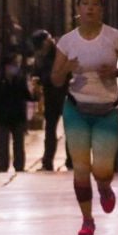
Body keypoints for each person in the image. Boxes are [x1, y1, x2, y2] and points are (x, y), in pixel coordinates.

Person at [51, 0, 118, 235]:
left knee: (102, 169)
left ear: (102, 8)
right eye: (85, 3)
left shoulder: (114, 37)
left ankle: (105, 187)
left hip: (107, 110)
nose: (90, 8)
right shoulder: (67, 41)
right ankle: (87, 220)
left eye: (95, 4)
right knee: (80, 167)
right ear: (78, 9)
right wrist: (66, 68)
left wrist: (116, 73)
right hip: (76, 109)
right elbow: (55, 80)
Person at [0, 53, 35, 173]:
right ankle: (3, 166)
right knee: (2, 144)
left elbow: (27, 95)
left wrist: (33, 93)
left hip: (18, 116)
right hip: (2, 116)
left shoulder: (20, 79)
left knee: (19, 143)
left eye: (16, 65)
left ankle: (19, 166)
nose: (15, 67)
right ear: (6, 66)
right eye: (13, 64)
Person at [31, 30, 73, 171]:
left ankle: (71, 161)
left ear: (47, 41)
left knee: (70, 130)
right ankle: (47, 161)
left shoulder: (62, 51)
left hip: (65, 95)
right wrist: (35, 79)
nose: (40, 50)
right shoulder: (41, 56)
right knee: (50, 130)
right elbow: (37, 72)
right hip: (50, 96)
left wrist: (43, 78)